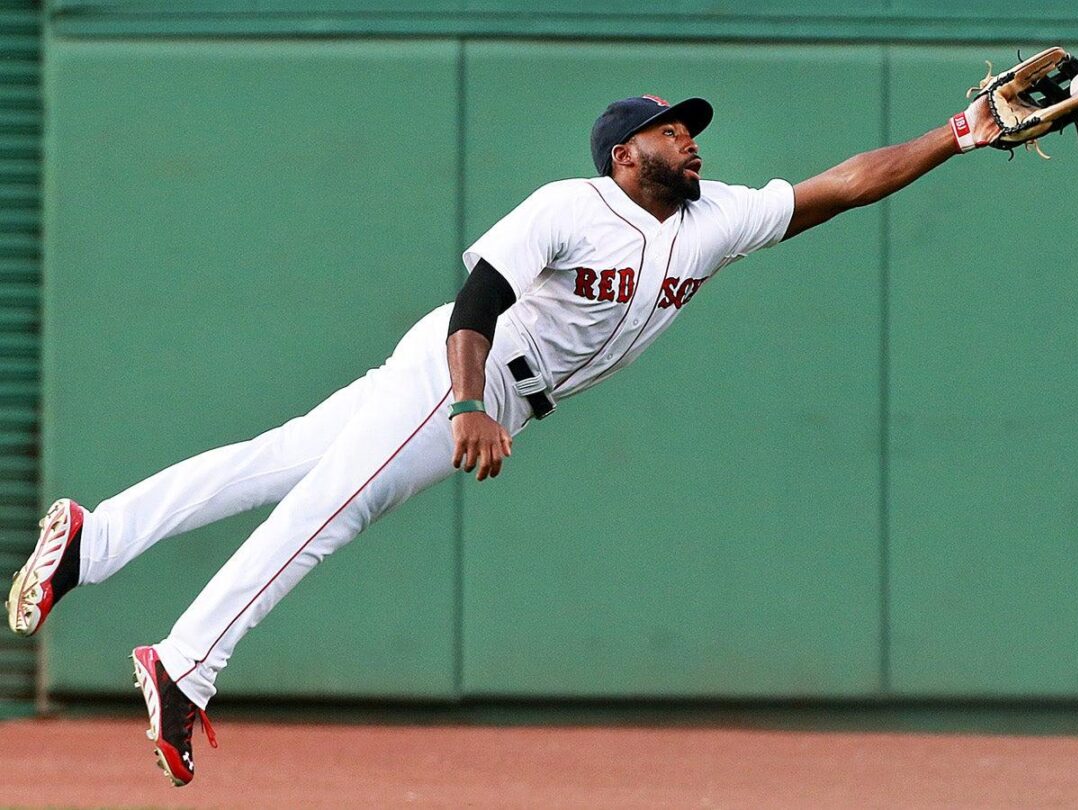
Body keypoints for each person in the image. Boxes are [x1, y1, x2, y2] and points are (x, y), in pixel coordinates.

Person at [7, 91, 1001, 786]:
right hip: (462, 375)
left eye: (693, 130)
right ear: (623, 154)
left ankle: (96, 541)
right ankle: (188, 663)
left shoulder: (717, 219)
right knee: (332, 507)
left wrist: (957, 134)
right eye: (671, 131)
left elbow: (845, 184)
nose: (692, 141)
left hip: (487, 393)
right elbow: (480, 296)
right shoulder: (573, 206)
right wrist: (463, 404)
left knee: (286, 459)